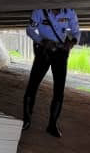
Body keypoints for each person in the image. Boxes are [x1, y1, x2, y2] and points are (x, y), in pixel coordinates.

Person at [22, 8, 81, 138]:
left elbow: (76, 31)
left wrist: (71, 42)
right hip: (43, 51)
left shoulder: (70, 12)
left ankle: (52, 125)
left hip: (61, 53)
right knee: (33, 84)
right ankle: (26, 120)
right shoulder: (39, 11)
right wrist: (42, 41)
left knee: (59, 90)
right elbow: (30, 30)